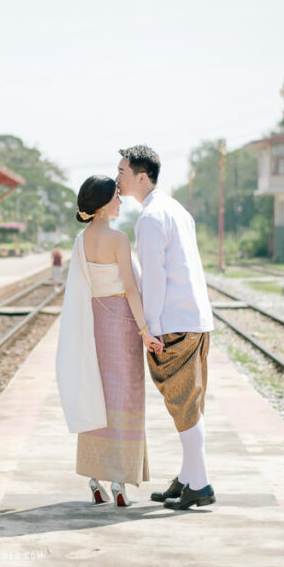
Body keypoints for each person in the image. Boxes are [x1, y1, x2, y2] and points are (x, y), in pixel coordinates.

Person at [118, 145, 216, 511]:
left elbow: (154, 281)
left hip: (174, 323)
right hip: (195, 319)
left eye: (123, 171)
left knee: (183, 404)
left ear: (141, 176)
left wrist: (150, 330)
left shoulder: (149, 219)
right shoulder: (175, 209)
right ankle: (190, 477)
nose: (118, 177)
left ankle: (200, 484)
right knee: (190, 404)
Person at [55, 175, 163, 508]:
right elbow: (131, 288)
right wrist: (145, 330)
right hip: (121, 320)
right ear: (103, 204)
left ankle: (94, 479)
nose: (121, 202)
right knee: (125, 397)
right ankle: (118, 481)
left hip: (94, 322)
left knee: (96, 393)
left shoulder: (80, 241)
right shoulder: (118, 239)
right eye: (116, 197)